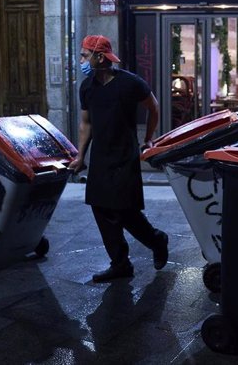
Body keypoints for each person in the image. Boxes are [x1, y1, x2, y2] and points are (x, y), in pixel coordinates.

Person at [69, 35, 168, 283]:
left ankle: (157, 240)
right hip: (100, 158)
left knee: (125, 211)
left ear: (99, 57)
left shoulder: (130, 83)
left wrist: (148, 137)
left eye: (84, 55)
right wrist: (81, 155)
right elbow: (86, 123)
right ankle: (120, 263)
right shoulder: (87, 87)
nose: (81, 60)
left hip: (125, 156)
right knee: (101, 209)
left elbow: (153, 106)